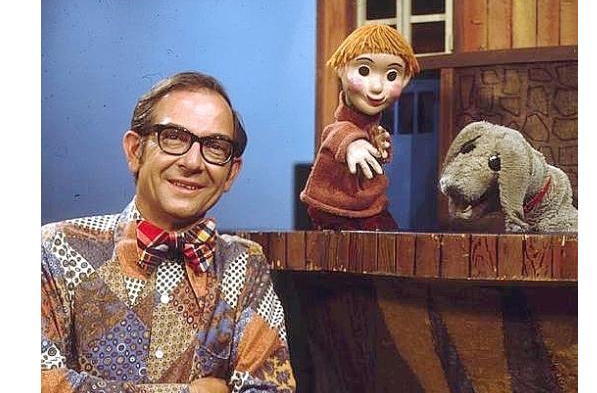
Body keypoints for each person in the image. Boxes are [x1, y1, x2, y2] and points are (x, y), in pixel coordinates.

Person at [41, 71, 296, 393]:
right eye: (174, 137)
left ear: (231, 173)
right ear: (135, 151)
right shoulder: (56, 249)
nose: (193, 162)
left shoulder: (244, 265)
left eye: (215, 146)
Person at [300, 24, 420, 231]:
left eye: (392, 75)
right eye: (364, 71)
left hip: (369, 207)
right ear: (341, 68)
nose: (377, 87)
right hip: (336, 211)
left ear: (405, 79)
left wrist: (378, 147)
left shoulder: (372, 129)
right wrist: (353, 144)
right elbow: (336, 132)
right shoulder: (342, 129)